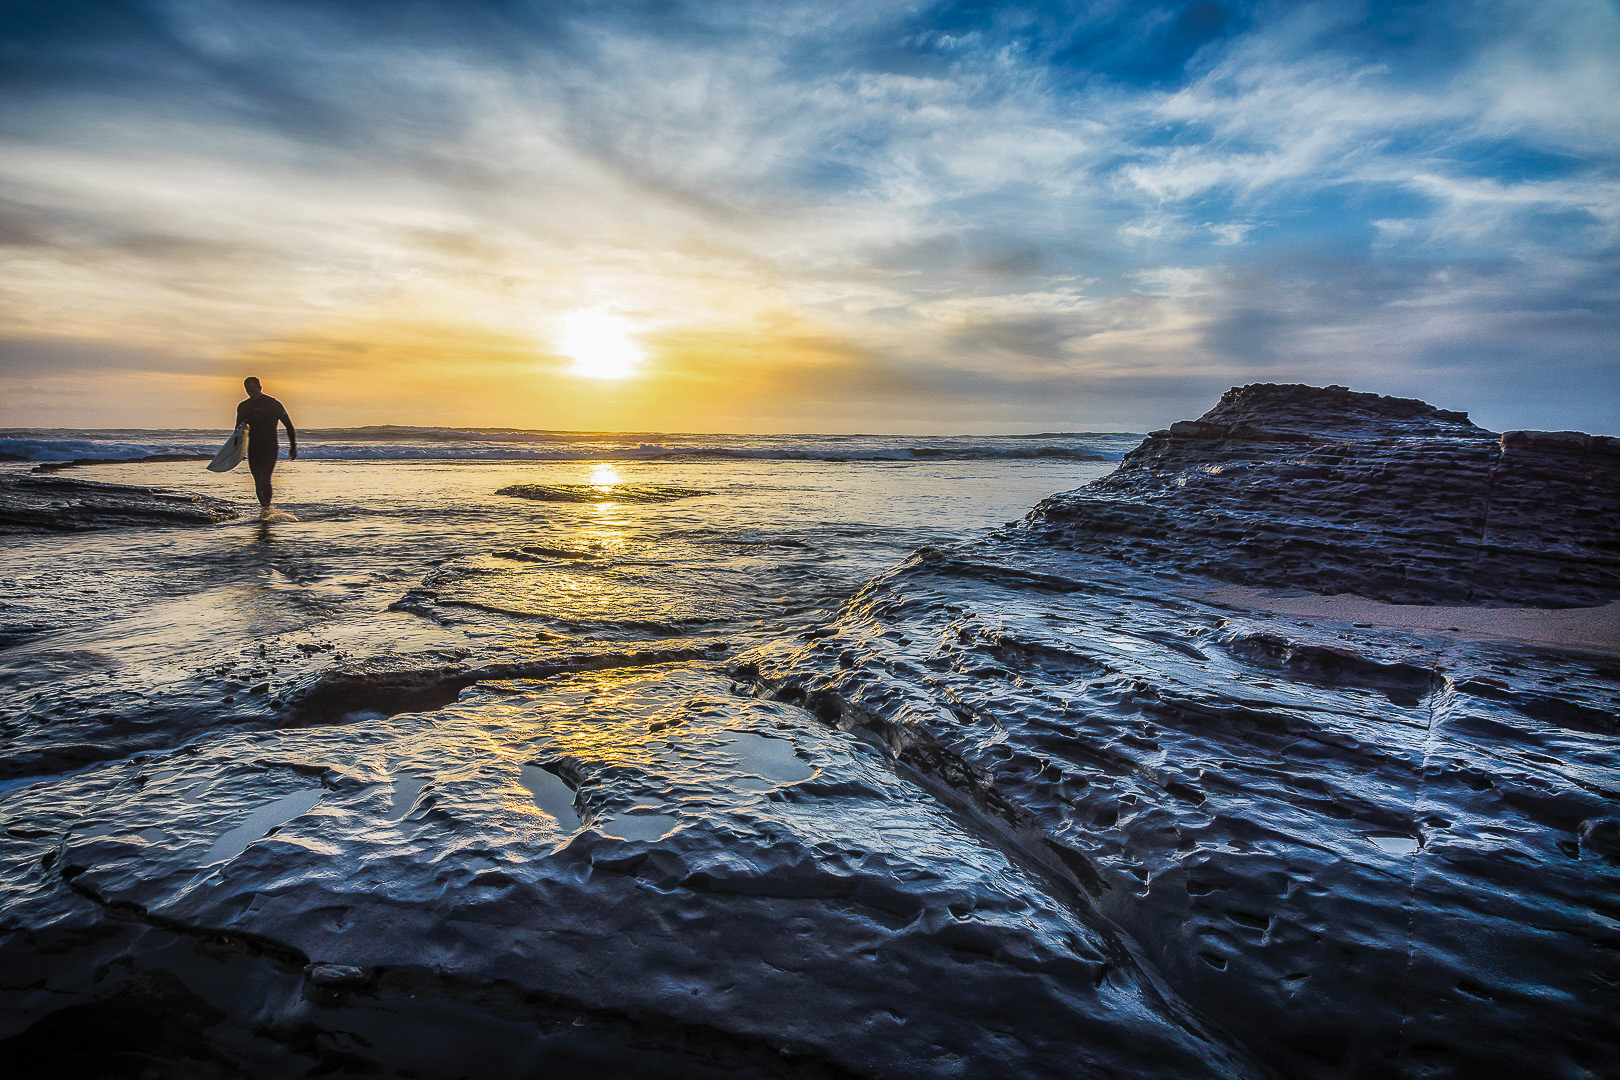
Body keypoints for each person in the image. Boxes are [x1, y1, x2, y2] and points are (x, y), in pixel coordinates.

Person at [235, 377, 297, 509]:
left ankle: (267, 506)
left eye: (253, 389)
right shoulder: (244, 406)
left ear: (260, 388)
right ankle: (264, 508)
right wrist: (238, 452)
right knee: (257, 480)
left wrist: (293, 446)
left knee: (265, 477)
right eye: (248, 390)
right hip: (254, 448)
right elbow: (238, 431)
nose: (251, 392)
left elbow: (289, 426)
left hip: (270, 447)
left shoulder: (273, 404)